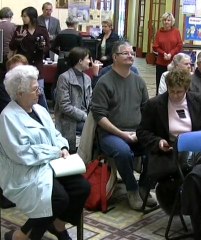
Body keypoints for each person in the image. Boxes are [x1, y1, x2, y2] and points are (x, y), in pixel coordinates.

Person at [0, 65, 90, 240]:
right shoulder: (7, 117)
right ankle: (23, 235)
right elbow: (22, 152)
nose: (40, 92)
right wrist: (55, 152)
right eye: (34, 89)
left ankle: (57, 224)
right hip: (25, 171)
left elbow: (55, 134)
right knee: (58, 198)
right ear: (19, 93)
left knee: (82, 188)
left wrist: (63, 147)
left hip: (51, 164)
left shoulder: (40, 110)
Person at [91, 40, 156, 210]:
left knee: (156, 147)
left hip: (136, 131)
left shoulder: (139, 82)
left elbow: (146, 110)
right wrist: (122, 134)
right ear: (114, 57)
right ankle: (132, 189)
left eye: (132, 53)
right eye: (125, 53)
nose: (130, 56)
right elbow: (99, 116)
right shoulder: (104, 82)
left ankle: (144, 187)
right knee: (123, 151)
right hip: (110, 134)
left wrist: (141, 132)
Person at [137, 68, 201, 170]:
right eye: (171, 91)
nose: (175, 95)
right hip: (168, 149)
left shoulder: (197, 100)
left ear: (186, 89)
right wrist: (158, 142)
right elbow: (142, 131)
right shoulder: (154, 104)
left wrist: (195, 141)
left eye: (179, 92)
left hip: (194, 148)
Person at [9, 6, 50, 111]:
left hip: (37, 65)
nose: (23, 18)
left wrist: (42, 46)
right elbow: (12, 46)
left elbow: (47, 48)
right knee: (24, 92)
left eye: (25, 16)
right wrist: (19, 39)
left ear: (32, 16)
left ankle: (43, 113)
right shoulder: (20, 29)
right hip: (23, 66)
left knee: (39, 91)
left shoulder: (42, 29)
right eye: (22, 16)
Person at [54, 47, 92, 154]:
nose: (90, 61)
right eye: (88, 59)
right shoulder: (64, 78)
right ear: (80, 61)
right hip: (70, 120)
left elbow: (91, 100)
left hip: (85, 118)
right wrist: (85, 117)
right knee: (96, 129)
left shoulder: (87, 78)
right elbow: (65, 106)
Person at [153, 12, 183, 95]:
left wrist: (171, 54)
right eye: (165, 20)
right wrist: (164, 54)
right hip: (161, 62)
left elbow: (179, 45)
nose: (166, 22)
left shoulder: (176, 32)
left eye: (168, 20)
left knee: (173, 83)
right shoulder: (159, 32)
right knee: (160, 83)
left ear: (172, 22)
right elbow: (155, 46)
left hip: (174, 62)